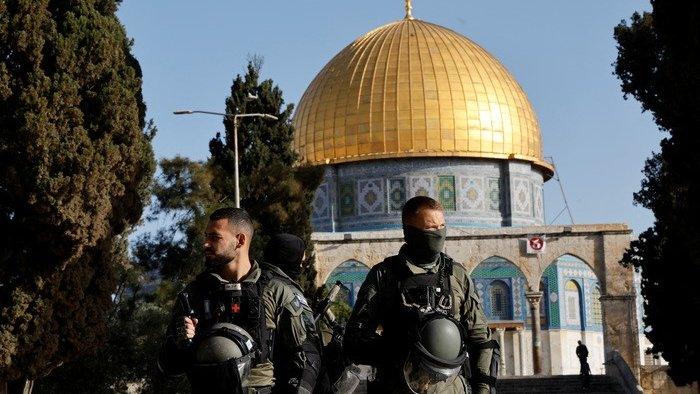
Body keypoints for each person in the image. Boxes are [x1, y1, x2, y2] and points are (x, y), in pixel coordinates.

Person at [344, 196, 500, 394]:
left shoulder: (457, 275)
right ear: (410, 231)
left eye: (441, 226)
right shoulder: (385, 275)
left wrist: (483, 389)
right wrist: (401, 347)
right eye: (430, 228)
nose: (438, 234)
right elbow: (355, 339)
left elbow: (481, 340)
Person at [157, 208, 318, 393]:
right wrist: (180, 342)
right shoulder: (194, 294)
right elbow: (166, 366)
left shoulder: (277, 291)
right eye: (206, 236)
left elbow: (308, 355)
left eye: (215, 237)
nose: (205, 244)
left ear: (240, 240)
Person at [262, 233, 327, 394]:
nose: (302, 266)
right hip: (284, 378)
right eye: (301, 261)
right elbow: (305, 342)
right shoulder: (285, 290)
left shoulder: (254, 282)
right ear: (290, 259)